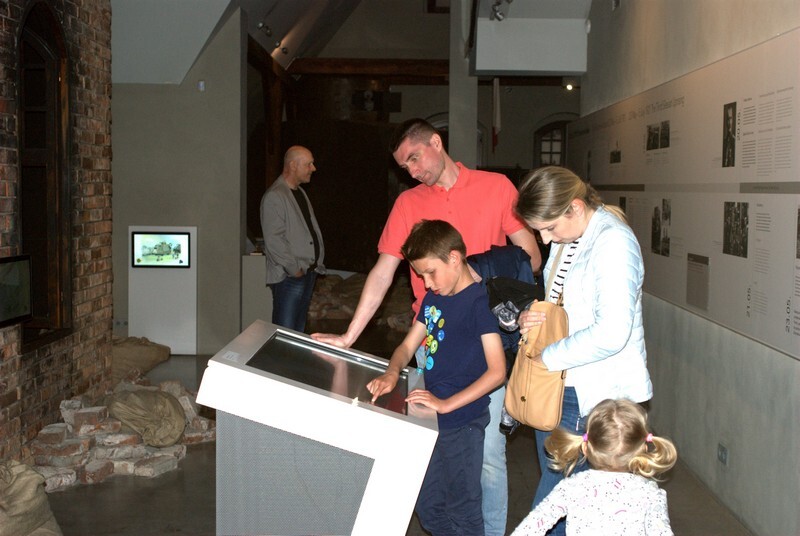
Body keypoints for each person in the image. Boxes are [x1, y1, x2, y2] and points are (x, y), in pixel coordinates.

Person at [312, 118, 541, 535]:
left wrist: (479, 278)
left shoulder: (496, 187)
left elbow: (530, 257)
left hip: (485, 336)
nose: (413, 171)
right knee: (435, 452)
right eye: (405, 167)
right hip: (431, 336)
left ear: (436, 142)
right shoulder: (408, 203)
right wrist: (348, 336)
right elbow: (383, 273)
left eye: (415, 159)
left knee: (487, 455)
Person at [514, 166, 653, 536]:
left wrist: (546, 358)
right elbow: (564, 306)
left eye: (548, 228)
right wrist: (533, 316)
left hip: (593, 392)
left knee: (557, 505)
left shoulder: (613, 242)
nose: (544, 239)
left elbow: (612, 332)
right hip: (564, 385)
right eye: (538, 230)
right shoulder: (572, 235)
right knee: (566, 504)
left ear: (575, 207)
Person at [366, 220, 506, 536]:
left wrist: (446, 404)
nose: (427, 284)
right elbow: (406, 347)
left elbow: (498, 371)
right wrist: (392, 373)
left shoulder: (479, 303)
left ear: (454, 258)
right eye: (420, 276)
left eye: (431, 273)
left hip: (462, 421)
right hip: (430, 420)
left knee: (463, 510)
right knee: (429, 507)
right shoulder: (434, 299)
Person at [510, 398, 677, 536]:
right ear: (644, 448)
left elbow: (531, 526)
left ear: (585, 447)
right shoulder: (649, 493)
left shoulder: (572, 487)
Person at [260, 145, 325, 332]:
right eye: (308, 164)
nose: (313, 168)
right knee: (285, 333)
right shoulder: (275, 196)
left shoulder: (299, 193)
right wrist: (294, 269)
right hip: (290, 276)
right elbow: (274, 240)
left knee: (297, 333)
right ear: (293, 165)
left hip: (306, 272)